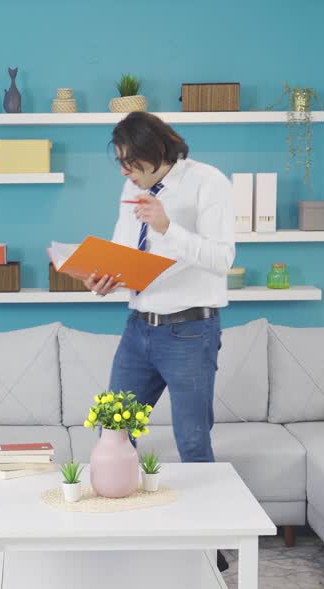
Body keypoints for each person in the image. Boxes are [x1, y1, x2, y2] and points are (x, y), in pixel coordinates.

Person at [86, 111, 235, 465]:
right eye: (120, 162)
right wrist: (106, 278)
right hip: (138, 328)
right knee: (113, 431)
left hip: (189, 331)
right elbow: (124, 249)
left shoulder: (208, 182)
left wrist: (168, 226)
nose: (124, 171)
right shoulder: (133, 186)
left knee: (192, 442)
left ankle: (205, 505)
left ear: (156, 151)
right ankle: (122, 498)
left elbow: (222, 259)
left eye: (131, 162)